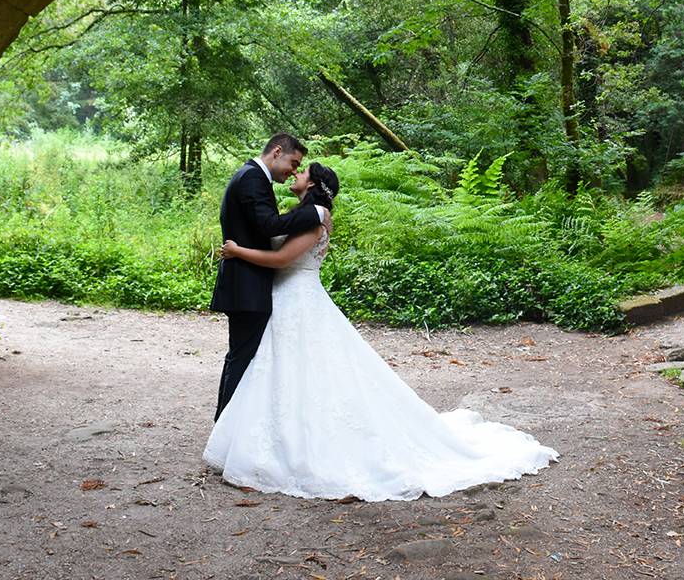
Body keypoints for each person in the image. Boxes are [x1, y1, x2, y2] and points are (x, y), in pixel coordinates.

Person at [204, 161, 558, 501]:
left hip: (298, 298)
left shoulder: (314, 220)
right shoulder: (302, 216)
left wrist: (239, 252)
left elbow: (282, 260)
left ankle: (303, 447)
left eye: (303, 170)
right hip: (284, 299)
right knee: (282, 373)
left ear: (311, 184)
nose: (296, 173)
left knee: (306, 372)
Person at [211, 133, 323, 420]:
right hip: (246, 286)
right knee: (243, 359)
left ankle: (229, 428)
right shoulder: (252, 178)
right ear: (276, 151)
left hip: (249, 285)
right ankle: (226, 427)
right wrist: (316, 213)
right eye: (293, 162)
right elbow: (268, 225)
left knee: (245, 357)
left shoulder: (253, 177)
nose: (294, 170)